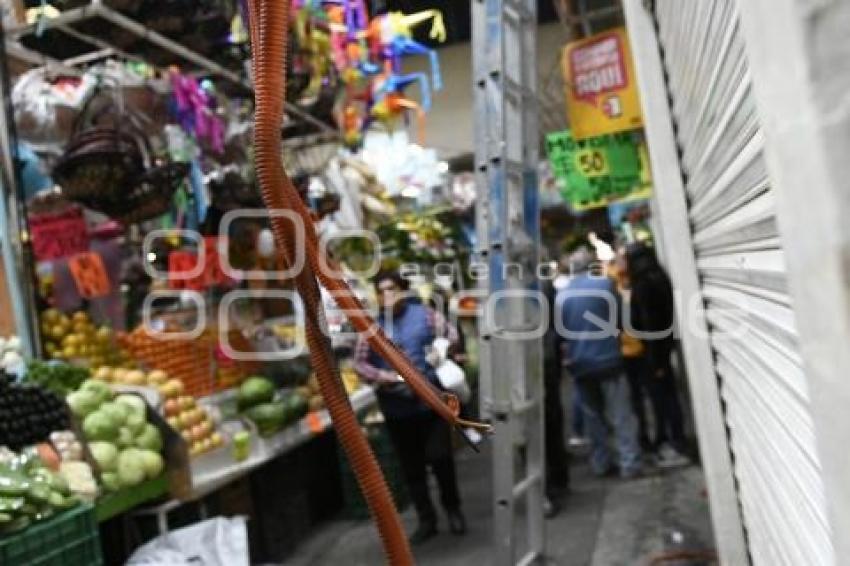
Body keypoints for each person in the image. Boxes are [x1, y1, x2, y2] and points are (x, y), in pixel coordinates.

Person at [354, 271, 467, 544]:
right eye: (381, 291)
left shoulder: (425, 315)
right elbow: (359, 364)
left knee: (441, 460)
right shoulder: (370, 326)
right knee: (411, 468)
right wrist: (386, 378)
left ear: (403, 290)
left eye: (392, 289)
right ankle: (426, 520)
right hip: (397, 409)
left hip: (431, 404)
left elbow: (451, 335)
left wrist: (441, 350)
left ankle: (453, 510)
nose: (386, 296)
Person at [557, 247, 642, 479]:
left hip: (580, 364)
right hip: (608, 359)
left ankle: (601, 463)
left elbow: (560, 333)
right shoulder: (604, 285)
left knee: (593, 418)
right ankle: (630, 463)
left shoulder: (561, 295)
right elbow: (619, 319)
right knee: (621, 414)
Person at [626, 243, 689, 466]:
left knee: (662, 401)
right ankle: (675, 442)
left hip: (654, 353)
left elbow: (650, 324)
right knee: (669, 399)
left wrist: (655, 361)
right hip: (663, 348)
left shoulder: (643, 283)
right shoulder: (659, 276)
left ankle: (672, 445)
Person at [541, 275, 570, 515]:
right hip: (545, 360)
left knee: (545, 423)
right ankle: (557, 477)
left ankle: (552, 482)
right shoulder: (543, 283)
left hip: (541, 362)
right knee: (551, 420)